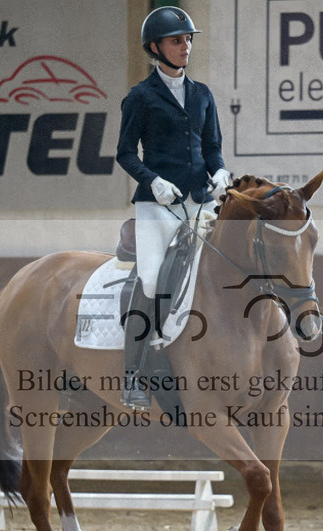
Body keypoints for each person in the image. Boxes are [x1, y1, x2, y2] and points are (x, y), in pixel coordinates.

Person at [116, 6, 232, 410]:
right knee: (149, 279)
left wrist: (220, 173)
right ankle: (132, 375)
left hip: (199, 203)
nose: (186, 47)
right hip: (158, 206)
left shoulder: (202, 94)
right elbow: (125, 154)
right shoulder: (141, 98)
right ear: (155, 48)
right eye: (177, 41)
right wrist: (153, 180)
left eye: (188, 40)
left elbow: (213, 148)